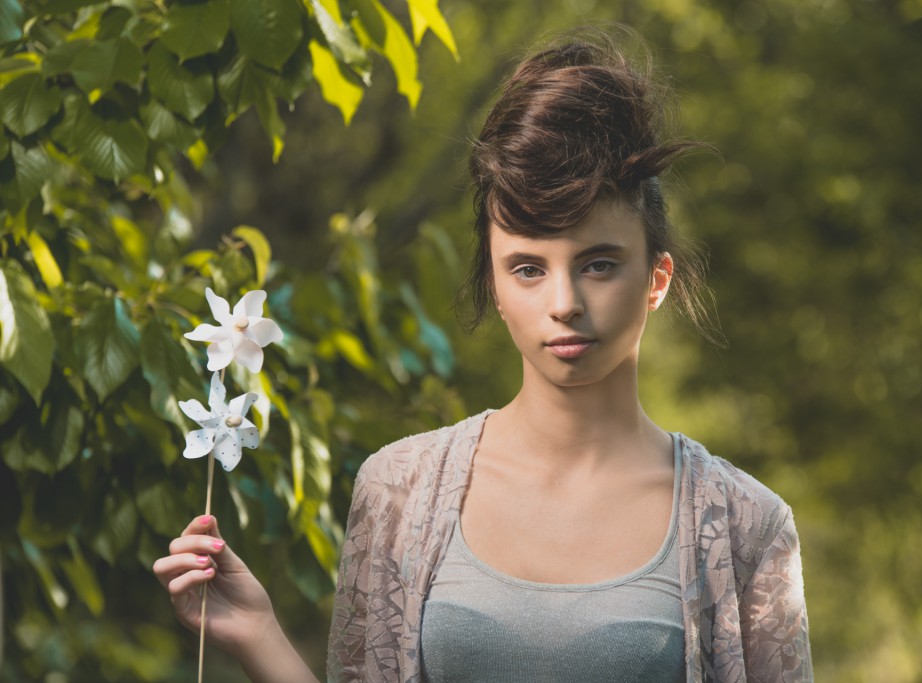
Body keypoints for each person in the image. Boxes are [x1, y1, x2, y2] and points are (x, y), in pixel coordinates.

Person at [154, 29, 813, 683]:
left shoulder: (746, 525)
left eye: (600, 264)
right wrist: (258, 633)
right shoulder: (400, 491)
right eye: (528, 267)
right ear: (495, 285)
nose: (564, 302)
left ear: (656, 279)